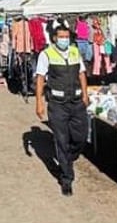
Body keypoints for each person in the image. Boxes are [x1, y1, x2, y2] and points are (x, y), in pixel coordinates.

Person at [34, 24, 89, 197]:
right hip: (58, 103)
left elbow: (81, 74)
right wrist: (39, 102)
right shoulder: (46, 54)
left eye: (67, 36)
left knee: (81, 137)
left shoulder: (74, 51)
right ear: (55, 38)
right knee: (62, 139)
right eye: (61, 36)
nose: (64, 39)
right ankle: (66, 178)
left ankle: (68, 159)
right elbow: (41, 78)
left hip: (76, 101)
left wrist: (85, 95)